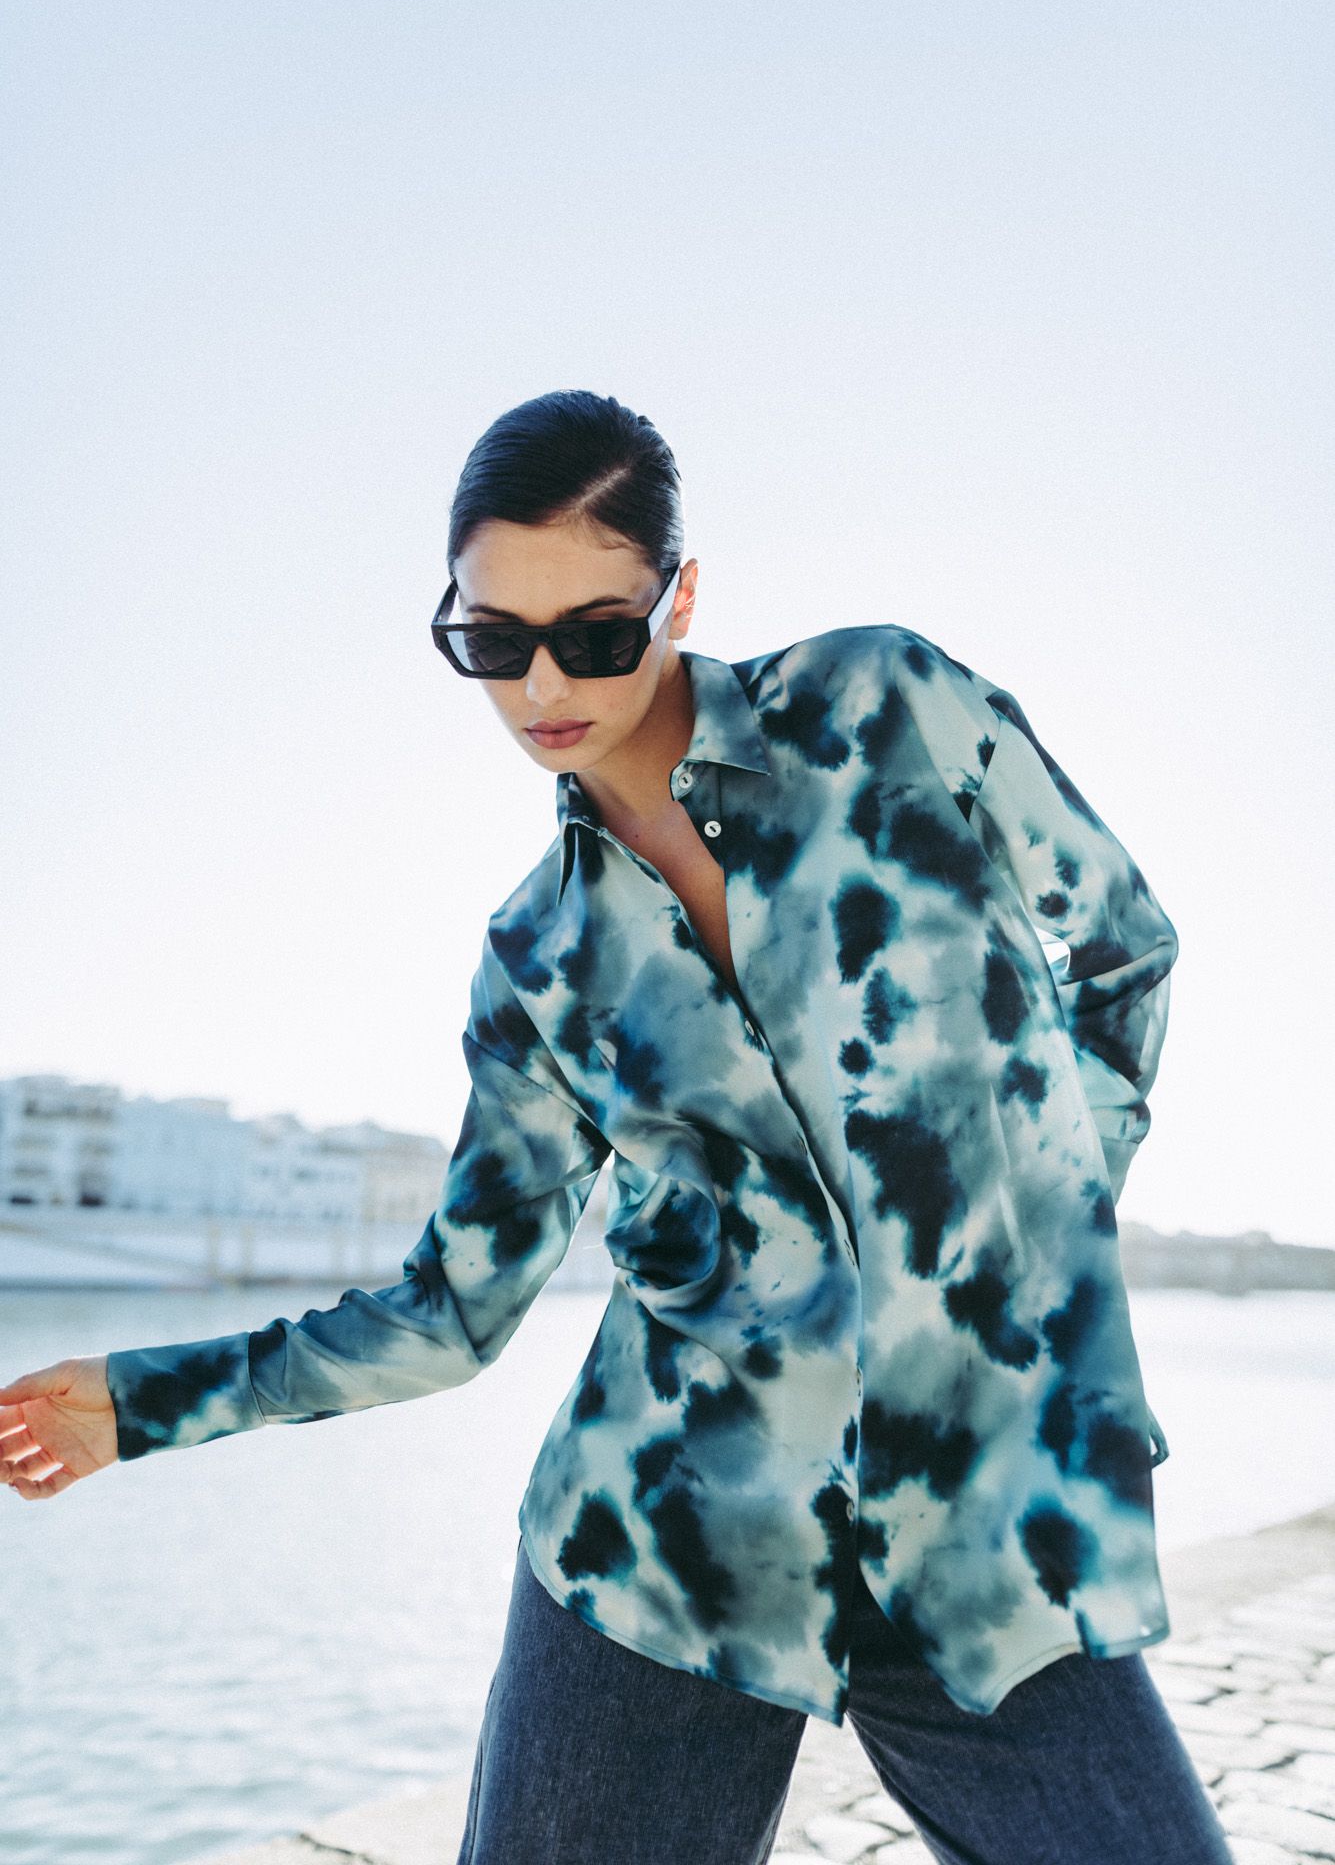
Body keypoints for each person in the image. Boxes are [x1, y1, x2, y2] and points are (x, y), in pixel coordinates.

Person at [0, 391, 1231, 1865]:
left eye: (593, 634)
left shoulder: (888, 707)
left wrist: (1035, 1222)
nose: (541, 687)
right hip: (665, 1543)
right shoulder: (540, 959)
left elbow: (1124, 951)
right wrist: (141, 1404)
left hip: (987, 1514)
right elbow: (452, 1313)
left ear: (680, 597)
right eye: (492, 641)